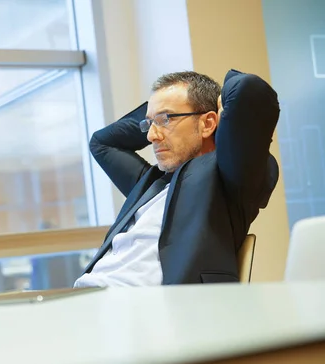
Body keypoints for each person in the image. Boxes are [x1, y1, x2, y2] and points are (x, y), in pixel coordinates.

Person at [74, 69, 280, 287]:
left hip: (145, 307)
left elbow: (249, 90)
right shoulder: (149, 183)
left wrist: (216, 105)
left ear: (209, 124)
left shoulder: (228, 177)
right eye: (148, 124)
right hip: (85, 294)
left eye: (165, 120)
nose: (151, 136)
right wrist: (158, 110)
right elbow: (102, 143)